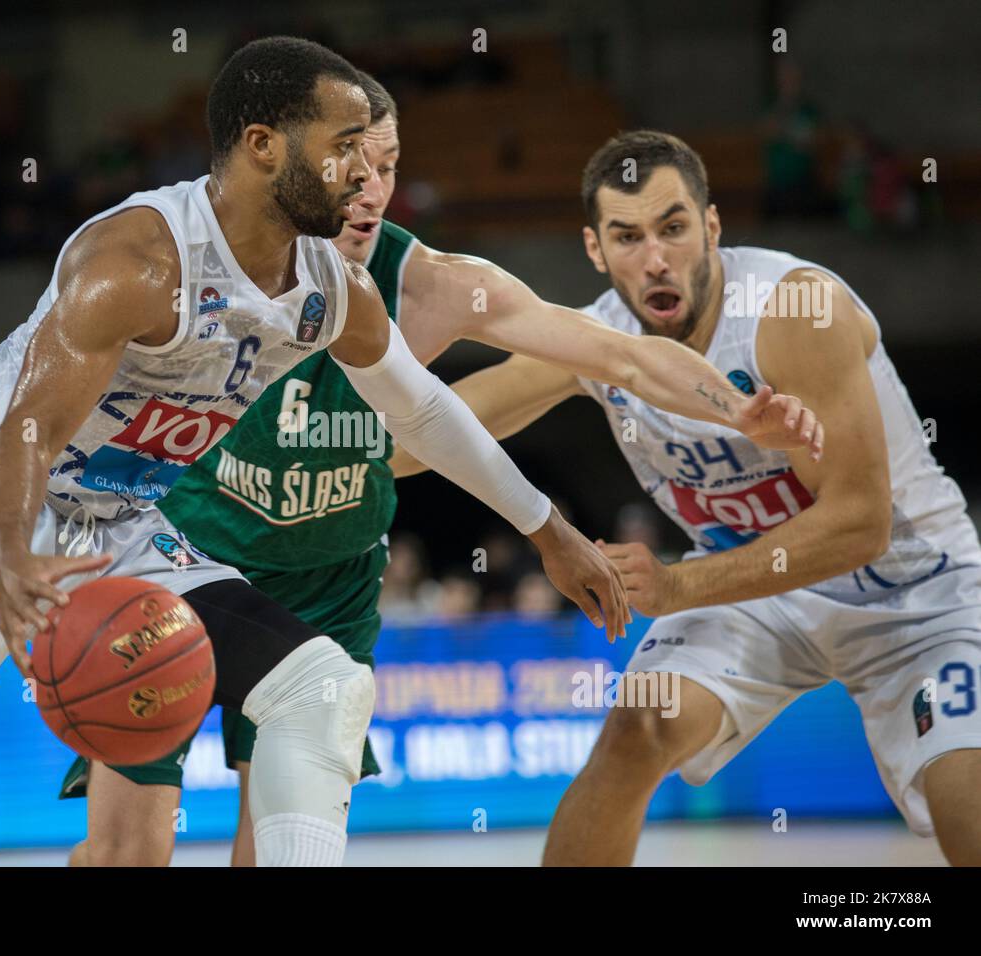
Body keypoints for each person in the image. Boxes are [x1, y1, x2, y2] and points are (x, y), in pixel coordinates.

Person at [0, 36, 630, 868]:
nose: (363, 173)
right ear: (264, 145)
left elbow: (421, 413)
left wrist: (548, 529)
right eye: (343, 147)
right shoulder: (137, 263)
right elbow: (24, 432)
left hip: (117, 519)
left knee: (321, 688)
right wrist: (8, 554)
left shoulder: (332, 288)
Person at [65, 77, 822, 867]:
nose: (370, 188)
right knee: (125, 855)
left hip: (326, 587)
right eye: (349, 163)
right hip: (184, 564)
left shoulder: (433, 286)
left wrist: (738, 407)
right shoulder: (213, 265)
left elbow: (621, 354)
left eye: (388, 165)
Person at [394, 130, 981, 867]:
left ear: (711, 226)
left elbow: (861, 525)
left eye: (672, 228)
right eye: (627, 237)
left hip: (915, 591)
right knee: (636, 731)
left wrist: (677, 586)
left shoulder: (795, 308)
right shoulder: (598, 341)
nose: (655, 258)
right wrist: (325, 450)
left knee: (967, 807)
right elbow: (436, 426)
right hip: (756, 595)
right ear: (595, 249)